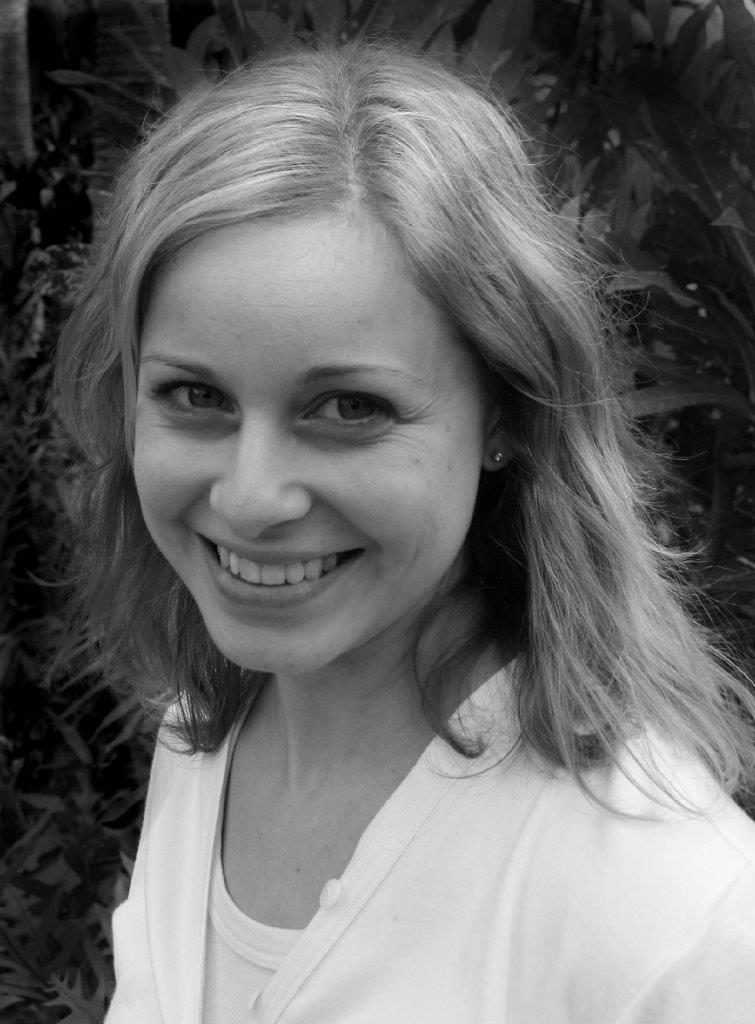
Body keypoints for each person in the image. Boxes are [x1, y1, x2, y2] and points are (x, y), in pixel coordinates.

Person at [55, 35, 755, 1024]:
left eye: (349, 409)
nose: (250, 497)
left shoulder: (668, 914)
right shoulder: (202, 738)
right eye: (194, 396)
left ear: (509, 416)